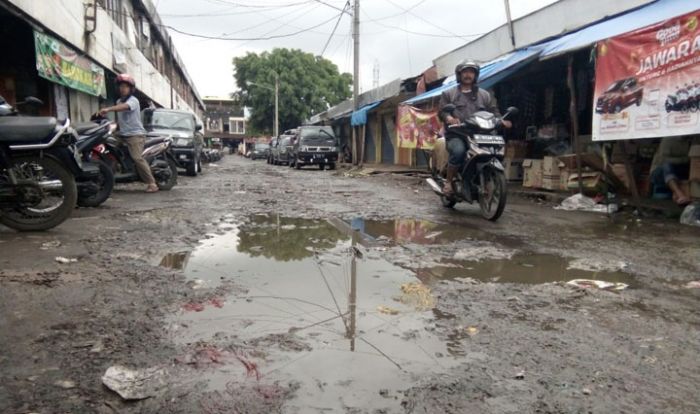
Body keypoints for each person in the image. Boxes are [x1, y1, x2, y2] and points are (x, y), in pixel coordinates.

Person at [438, 60, 512, 194]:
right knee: (459, 151)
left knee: (494, 152)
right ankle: (448, 182)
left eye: (471, 72)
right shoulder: (450, 93)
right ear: (459, 75)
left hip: (481, 134)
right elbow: (443, 111)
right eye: (465, 72)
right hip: (458, 133)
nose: (468, 75)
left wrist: (502, 120)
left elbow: (493, 111)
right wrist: (450, 119)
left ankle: (480, 178)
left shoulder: (484, 94)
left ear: (476, 75)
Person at [99, 74, 158, 193]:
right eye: (121, 86)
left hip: (135, 134)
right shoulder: (118, 101)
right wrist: (111, 127)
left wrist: (108, 109)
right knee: (107, 146)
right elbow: (120, 119)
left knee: (137, 158)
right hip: (122, 134)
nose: (123, 88)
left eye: (126, 86)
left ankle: (152, 183)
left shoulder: (133, 101)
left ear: (131, 89)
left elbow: (125, 108)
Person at [650, 136, 690, 205]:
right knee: (667, 165)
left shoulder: (688, 141)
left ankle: (676, 193)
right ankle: (679, 194)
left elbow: (689, 159)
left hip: (676, 169)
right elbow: (662, 160)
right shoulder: (668, 139)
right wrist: (683, 160)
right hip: (658, 172)